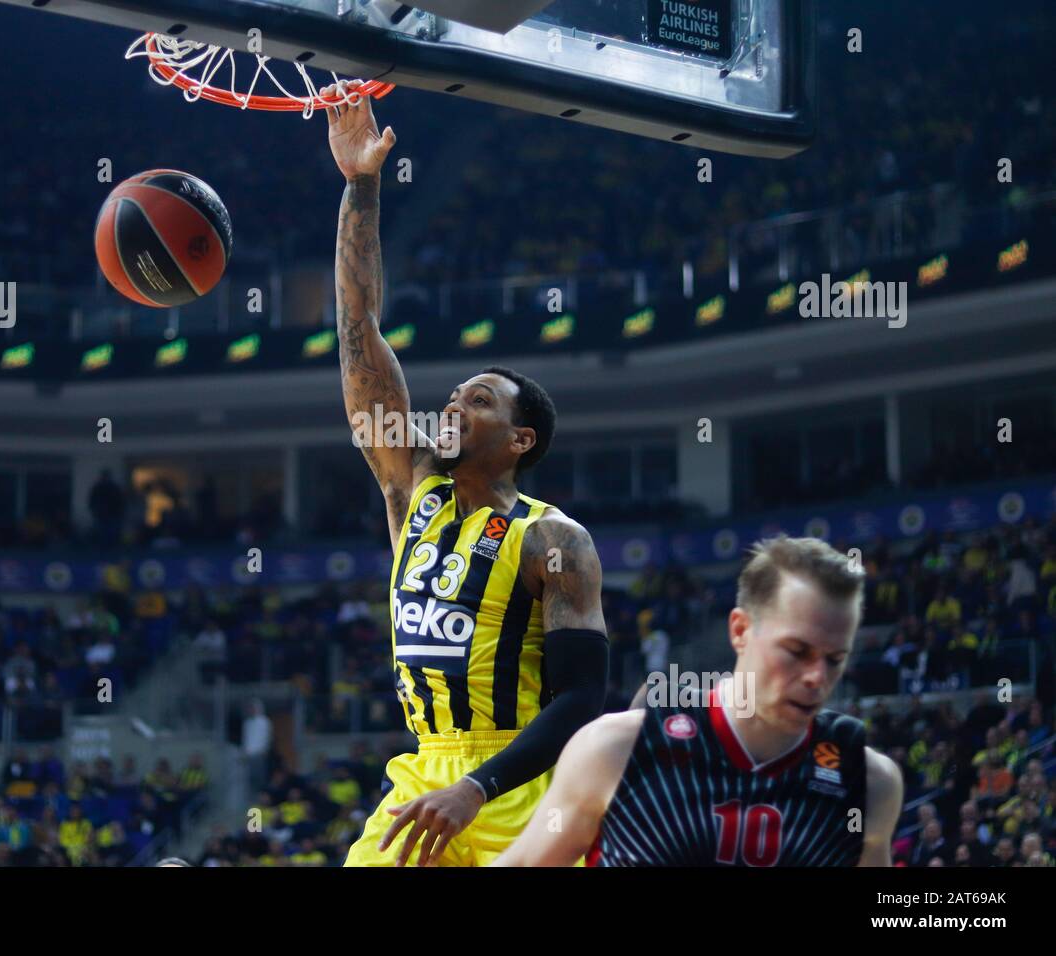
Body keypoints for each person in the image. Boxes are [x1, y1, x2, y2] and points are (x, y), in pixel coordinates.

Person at [322, 81, 607, 867]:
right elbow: (358, 326)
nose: (451, 403)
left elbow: (585, 700)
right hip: (423, 764)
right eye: (452, 393)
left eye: (476, 400)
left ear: (519, 439)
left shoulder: (554, 537)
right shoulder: (409, 484)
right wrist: (360, 186)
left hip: (520, 780)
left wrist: (477, 787)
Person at [495, 536, 902, 866]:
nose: (817, 677)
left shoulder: (869, 782)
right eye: (796, 651)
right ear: (740, 630)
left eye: (835, 659)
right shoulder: (615, 749)